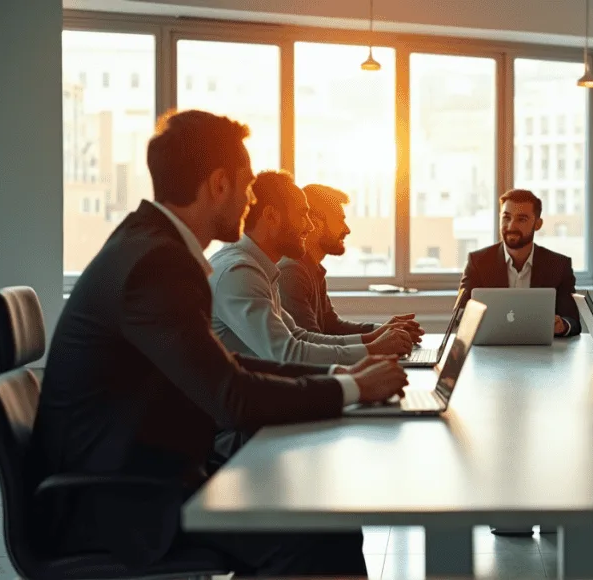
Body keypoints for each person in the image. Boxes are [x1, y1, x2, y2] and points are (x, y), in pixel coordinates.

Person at [30, 109, 408, 577]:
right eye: (248, 185)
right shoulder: (157, 265)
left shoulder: (148, 243)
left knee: (321, 517)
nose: (251, 200)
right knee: (319, 531)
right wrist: (352, 389)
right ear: (220, 184)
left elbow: (225, 366)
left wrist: (340, 375)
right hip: (119, 505)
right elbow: (232, 396)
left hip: (134, 480)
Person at [208, 170, 415, 366]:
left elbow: (298, 335)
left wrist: (373, 340)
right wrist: (372, 349)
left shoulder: (258, 268)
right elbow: (289, 354)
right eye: (302, 215)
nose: (309, 226)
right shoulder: (240, 273)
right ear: (271, 217)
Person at [278, 183, 424, 343]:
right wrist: (377, 341)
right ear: (316, 223)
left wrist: (383, 330)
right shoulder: (292, 272)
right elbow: (312, 344)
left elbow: (333, 326)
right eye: (340, 220)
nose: (347, 229)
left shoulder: (312, 269)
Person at [458, 188, 581, 337]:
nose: (511, 226)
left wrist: (562, 325)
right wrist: (473, 321)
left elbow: (573, 321)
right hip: (491, 351)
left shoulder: (559, 265)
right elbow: (459, 315)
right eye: (506, 218)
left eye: (521, 219)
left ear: (538, 224)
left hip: (542, 354)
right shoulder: (477, 262)